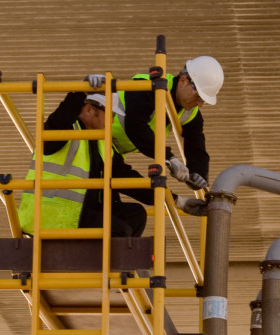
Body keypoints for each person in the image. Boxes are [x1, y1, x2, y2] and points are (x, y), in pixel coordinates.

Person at [18, 91, 207, 237]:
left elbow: (129, 181)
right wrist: (80, 92)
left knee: (135, 215)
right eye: (109, 114)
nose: (113, 120)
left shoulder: (102, 144)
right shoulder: (60, 134)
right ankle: (107, 272)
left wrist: (177, 201)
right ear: (89, 109)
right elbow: (58, 119)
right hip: (52, 218)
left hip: (77, 214)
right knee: (119, 230)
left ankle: (116, 269)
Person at [86, 55, 224, 191]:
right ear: (183, 81)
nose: (200, 104)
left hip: (110, 154)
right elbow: (136, 127)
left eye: (204, 101)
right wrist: (169, 157)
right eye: (199, 96)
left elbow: (196, 147)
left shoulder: (190, 113)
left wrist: (198, 175)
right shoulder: (147, 85)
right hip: (90, 139)